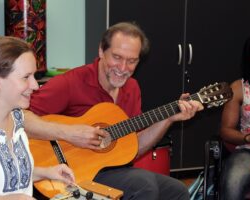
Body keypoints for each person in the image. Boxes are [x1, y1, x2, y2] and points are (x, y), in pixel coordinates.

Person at [29, 22, 203, 200]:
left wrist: (168, 119)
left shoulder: (132, 88)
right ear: (101, 52)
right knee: (143, 186)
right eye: (117, 57)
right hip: (69, 173)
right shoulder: (70, 83)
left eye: (131, 61)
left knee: (177, 190)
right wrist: (69, 133)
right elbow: (19, 117)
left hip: (111, 169)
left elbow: (134, 147)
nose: (122, 68)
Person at [0, 36, 79, 199]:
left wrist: (46, 172)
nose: (35, 85)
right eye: (26, 77)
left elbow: (1, 177)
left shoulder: (16, 117)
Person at [219, 33, 250, 200]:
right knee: (233, 182)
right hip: (248, 151)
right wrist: (247, 138)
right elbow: (226, 131)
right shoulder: (239, 88)